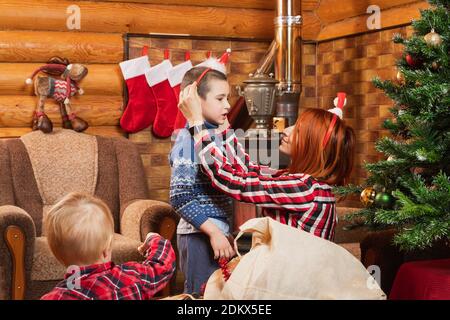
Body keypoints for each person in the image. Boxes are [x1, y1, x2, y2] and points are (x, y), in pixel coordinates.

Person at [179, 83, 356, 241]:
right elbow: (249, 170)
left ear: (313, 147)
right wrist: (225, 128)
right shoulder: (304, 182)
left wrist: (197, 124)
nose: (286, 131)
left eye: (299, 131)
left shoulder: (304, 188)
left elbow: (231, 180)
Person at [169, 67, 234, 296]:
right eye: (220, 98)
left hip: (219, 234)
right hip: (199, 236)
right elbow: (180, 196)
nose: (227, 105)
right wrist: (214, 232)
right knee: (201, 296)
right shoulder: (187, 141)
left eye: (228, 98)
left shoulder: (212, 138)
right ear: (195, 99)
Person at [41, 192, 176, 300]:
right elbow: (163, 264)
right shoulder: (132, 277)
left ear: (58, 255)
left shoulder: (56, 296)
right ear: (106, 251)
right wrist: (154, 238)